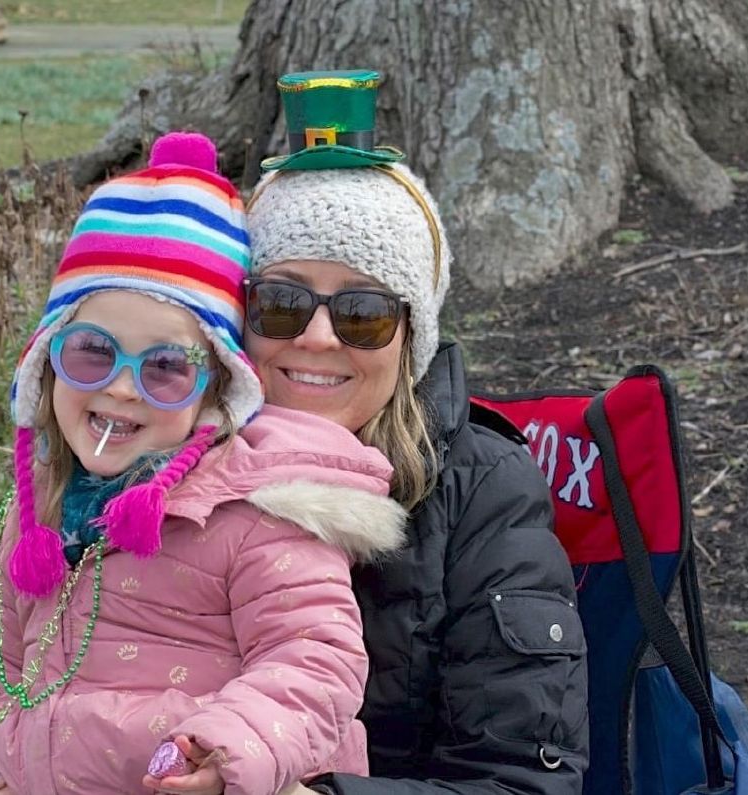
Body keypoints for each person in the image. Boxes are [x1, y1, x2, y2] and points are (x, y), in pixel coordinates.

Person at [0, 131, 407, 795]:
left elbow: (314, 659)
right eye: (91, 352)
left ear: (218, 389)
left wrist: (226, 752)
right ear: (45, 364)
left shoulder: (254, 510)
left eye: (166, 367)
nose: (121, 386)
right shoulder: (37, 508)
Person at [241, 70, 589, 794]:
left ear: (411, 338)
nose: (315, 337)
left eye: (362, 313)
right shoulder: (173, 465)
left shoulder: (480, 492)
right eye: (279, 302)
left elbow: (524, 781)